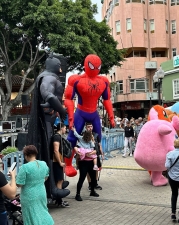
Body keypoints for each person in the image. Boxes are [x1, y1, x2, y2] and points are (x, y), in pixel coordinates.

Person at [64, 54, 115, 178]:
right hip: (81, 112)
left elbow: (107, 99)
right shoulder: (75, 79)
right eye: (92, 66)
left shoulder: (103, 81)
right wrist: (70, 116)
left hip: (93, 113)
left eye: (98, 67)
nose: (95, 69)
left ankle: (96, 163)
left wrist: (111, 115)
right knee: (72, 138)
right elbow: (68, 98)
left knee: (97, 139)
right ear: (86, 65)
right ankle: (69, 164)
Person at [27, 53, 69, 200]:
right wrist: (62, 110)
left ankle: (53, 184)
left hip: (48, 120)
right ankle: (52, 189)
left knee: (47, 152)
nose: (61, 71)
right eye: (60, 68)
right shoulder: (49, 78)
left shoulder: (46, 76)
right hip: (45, 121)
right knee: (46, 153)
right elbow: (48, 95)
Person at [16, 145, 54, 225]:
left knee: (30, 215)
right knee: (43, 211)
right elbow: (46, 177)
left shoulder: (25, 167)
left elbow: (19, 184)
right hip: (41, 192)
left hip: (29, 195)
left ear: (26, 155)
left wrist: (13, 177)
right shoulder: (43, 164)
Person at [165, 139, 179, 223]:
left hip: (172, 177)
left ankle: (173, 213)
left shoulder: (169, 154)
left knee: (174, 194)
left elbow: (167, 165)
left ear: (174, 145)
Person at [51, 123, 69, 207]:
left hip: (57, 161)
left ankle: (58, 199)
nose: (66, 130)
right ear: (61, 128)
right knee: (59, 180)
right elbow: (56, 150)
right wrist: (60, 162)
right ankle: (59, 200)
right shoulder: (57, 137)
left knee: (60, 180)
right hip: (56, 162)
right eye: (65, 128)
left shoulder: (58, 137)